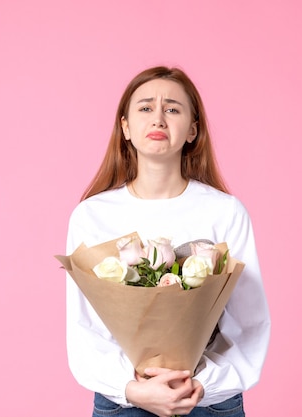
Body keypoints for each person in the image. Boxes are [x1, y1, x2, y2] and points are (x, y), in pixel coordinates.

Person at [65, 66, 271, 417]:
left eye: (173, 109)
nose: (158, 118)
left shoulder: (225, 212)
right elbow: (84, 329)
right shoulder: (92, 215)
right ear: (126, 127)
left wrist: (204, 385)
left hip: (208, 403)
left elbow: (248, 323)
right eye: (145, 108)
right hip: (123, 404)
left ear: (192, 129)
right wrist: (133, 389)